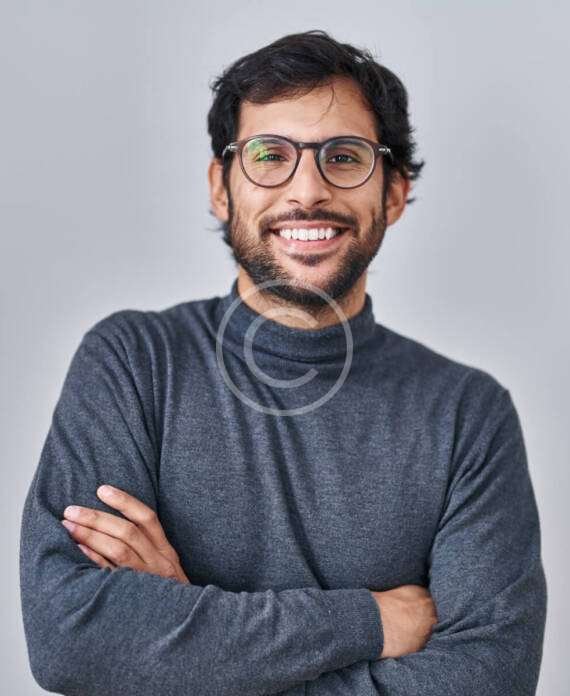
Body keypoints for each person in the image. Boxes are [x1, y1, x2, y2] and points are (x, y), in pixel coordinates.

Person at [19, 30, 547, 695]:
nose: (308, 191)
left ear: (393, 193)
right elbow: (70, 637)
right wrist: (370, 620)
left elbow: (489, 680)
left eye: (344, 157)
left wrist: (184, 647)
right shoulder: (133, 363)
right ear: (221, 187)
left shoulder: (467, 414)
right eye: (269, 156)